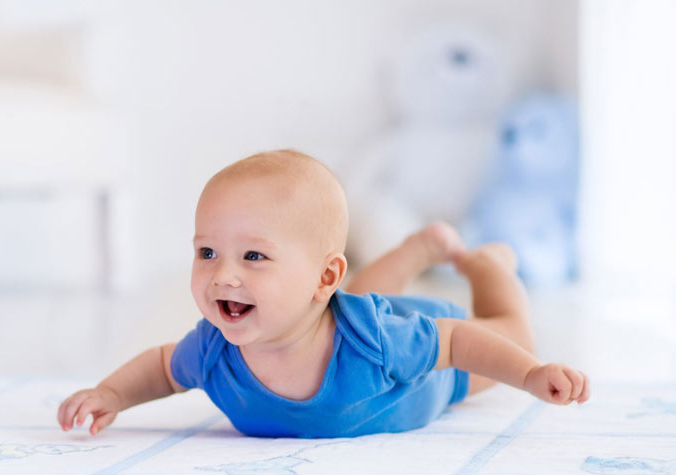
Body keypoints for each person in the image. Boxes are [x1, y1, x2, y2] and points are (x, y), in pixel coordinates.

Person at [57, 149, 590, 438]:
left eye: (253, 257)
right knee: (352, 303)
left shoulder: (380, 340)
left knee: (510, 328)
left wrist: (529, 374)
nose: (223, 276)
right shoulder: (215, 349)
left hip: (428, 368)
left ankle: (488, 263)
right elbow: (161, 367)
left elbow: (456, 342)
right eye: (208, 253)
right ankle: (416, 249)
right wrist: (111, 394)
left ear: (321, 277)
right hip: (343, 314)